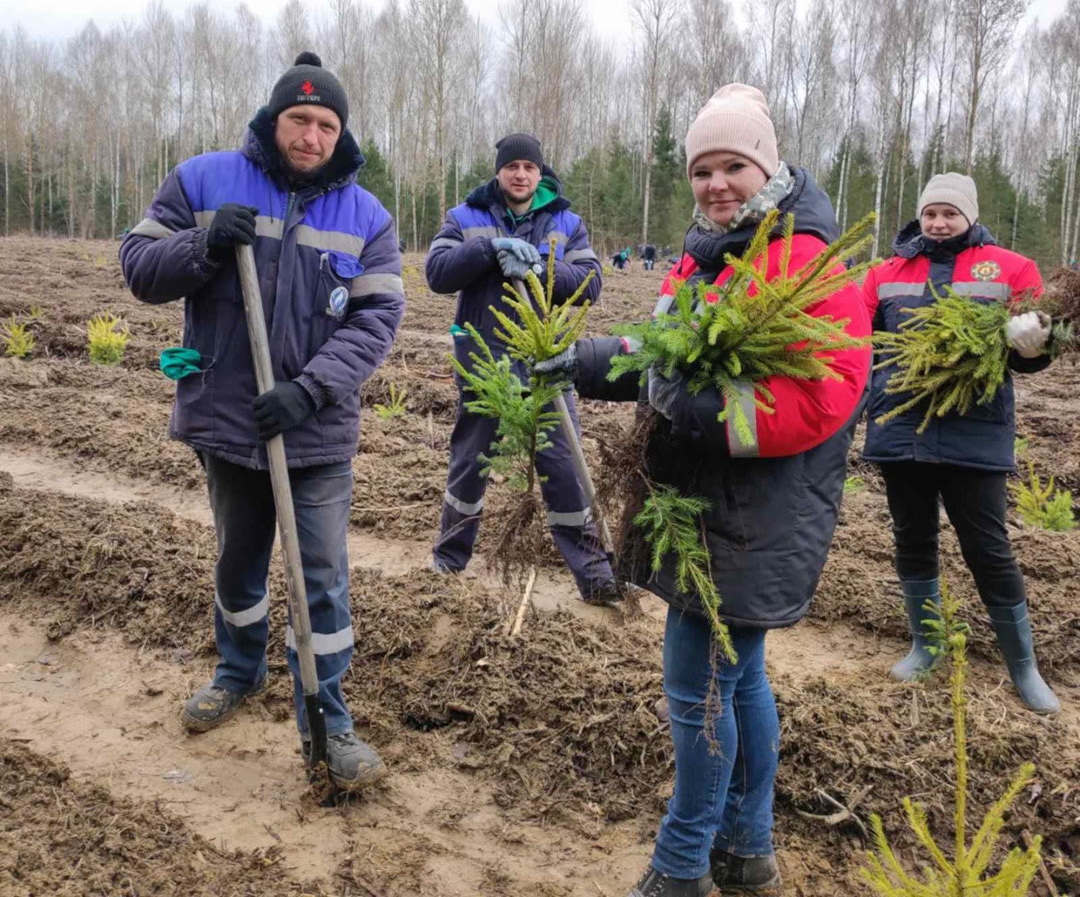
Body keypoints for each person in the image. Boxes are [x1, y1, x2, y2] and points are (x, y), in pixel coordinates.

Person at [538, 84, 871, 896]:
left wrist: (692, 408)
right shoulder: (707, 252)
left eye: (734, 166)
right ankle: (747, 850)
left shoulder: (808, 263)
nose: (717, 183)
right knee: (737, 678)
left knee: (697, 690)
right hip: (701, 504)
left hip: (753, 516)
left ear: (769, 167)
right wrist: (587, 361)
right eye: (702, 169)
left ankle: (683, 864)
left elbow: (823, 399)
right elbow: (666, 351)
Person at [120, 52, 405, 789]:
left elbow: (376, 323)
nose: (311, 136)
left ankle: (328, 717)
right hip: (227, 419)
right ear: (274, 120)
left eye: (326, 124)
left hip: (315, 431)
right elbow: (139, 268)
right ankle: (238, 672)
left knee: (321, 578)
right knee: (239, 562)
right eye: (299, 120)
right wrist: (204, 244)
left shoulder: (367, 217)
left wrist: (311, 391)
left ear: (342, 134)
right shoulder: (204, 180)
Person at [862, 173, 1059, 714]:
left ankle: (1024, 666)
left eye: (949, 213)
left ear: (969, 215)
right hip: (902, 429)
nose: (938, 223)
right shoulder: (885, 273)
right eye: (930, 213)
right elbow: (859, 346)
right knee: (912, 536)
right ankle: (925, 645)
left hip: (976, 429)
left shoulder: (1012, 268)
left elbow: (1040, 346)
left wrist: (1033, 345)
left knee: (988, 547)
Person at [425, 133, 617, 603]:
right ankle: (448, 564)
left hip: (545, 362)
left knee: (564, 467)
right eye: (511, 166)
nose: (520, 174)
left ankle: (596, 579)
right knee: (470, 463)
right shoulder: (465, 217)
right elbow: (436, 272)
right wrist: (488, 250)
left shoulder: (566, 222)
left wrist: (539, 268)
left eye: (529, 167)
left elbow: (590, 283)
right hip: (483, 363)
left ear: (540, 173)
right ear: (499, 171)